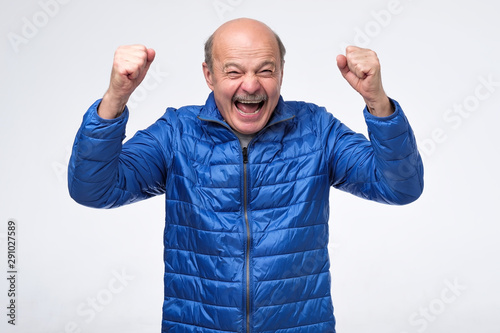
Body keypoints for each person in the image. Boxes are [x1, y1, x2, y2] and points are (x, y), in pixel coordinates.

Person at [68, 18, 423, 333]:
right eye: (234, 72)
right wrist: (116, 97)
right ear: (209, 75)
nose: (250, 86)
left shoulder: (317, 130)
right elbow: (93, 189)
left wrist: (377, 101)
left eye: (265, 71)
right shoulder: (176, 133)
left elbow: (400, 186)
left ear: (281, 72)